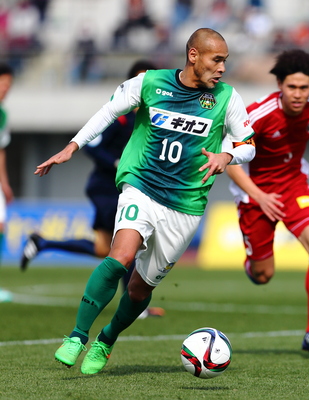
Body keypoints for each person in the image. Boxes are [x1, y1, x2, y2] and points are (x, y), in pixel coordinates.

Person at [34, 28, 255, 375]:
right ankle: (77, 336)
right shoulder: (150, 82)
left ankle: (106, 339)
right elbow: (108, 111)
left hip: (185, 204)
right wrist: (72, 146)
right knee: (119, 257)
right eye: (217, 60)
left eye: (225, 61)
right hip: (142, 186)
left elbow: (248, 145)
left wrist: (226, 156)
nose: (222, 68)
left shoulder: (228, 98)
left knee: (139, 289)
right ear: (194, 55)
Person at [224, 49, 309, 355]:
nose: (298, 94)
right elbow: (230, 161)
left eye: (304, 87)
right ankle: (253, 263)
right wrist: (260, 196)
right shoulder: (258, 114)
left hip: (295, 187)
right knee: (263, 275)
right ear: (280, 85)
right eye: (292, 87)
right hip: (255, 193)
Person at [21, 59, 164, 319]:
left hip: (123, 189)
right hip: (106, 188)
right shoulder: (121, 118)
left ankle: (42, 242)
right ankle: (133, 305)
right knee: (129, 243)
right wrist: (116, 162)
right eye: (141, 80)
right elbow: (94, 146)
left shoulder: (151, 119)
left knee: (103, 249)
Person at [0, 63, 14, 303]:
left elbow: (1, 150)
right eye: (2, 83)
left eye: (8, 85)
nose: (5, 89)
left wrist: (4, 182)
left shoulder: (2, 114)